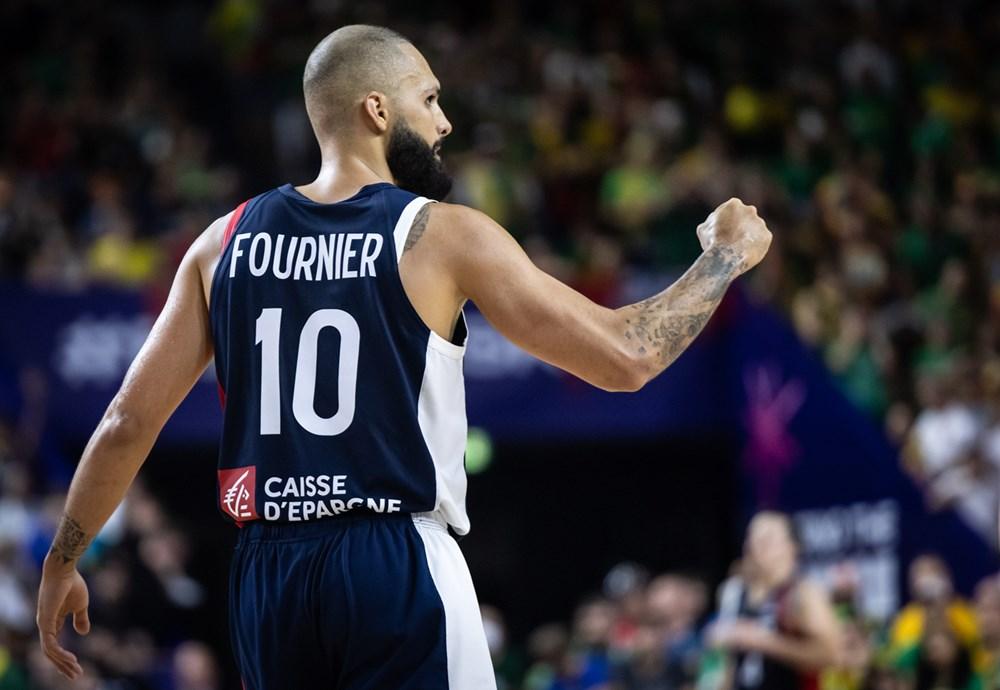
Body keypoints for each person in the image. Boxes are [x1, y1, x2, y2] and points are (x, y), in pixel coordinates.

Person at [34, 24, 772, 689]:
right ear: (378, 111)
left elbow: (127, 420)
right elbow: (624, 357)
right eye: (430, 99)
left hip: (267, 574)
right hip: (394, 560)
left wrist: (64, 559)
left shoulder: (221, 244)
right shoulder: (441, 235)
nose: (445, 121)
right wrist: (723, 260)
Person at [707, 512, 841, 690]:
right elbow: (727, 666)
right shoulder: (733, 592)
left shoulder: (803, 593)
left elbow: (830, 655)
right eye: (751, 537)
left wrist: (765, 642)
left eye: (767, 539)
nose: (755, 545)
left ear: (792, 546)